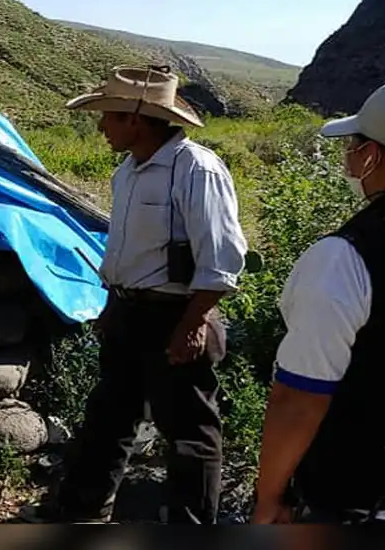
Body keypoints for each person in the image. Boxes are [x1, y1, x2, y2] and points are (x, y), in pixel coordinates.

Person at [35, 65, 248, 524]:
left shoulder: (196, 169)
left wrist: (193, 322)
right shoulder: (128, 171)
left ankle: (189, 528)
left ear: (135, 119)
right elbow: (126, 251)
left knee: (189, 431)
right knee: (108, 417)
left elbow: (221, 256)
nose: (101, 126)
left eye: (108, 116)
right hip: (129, 312)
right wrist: (112, 306)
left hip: (176, 314)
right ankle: (82, 510)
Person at [253, 76, 385, 524]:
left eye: (354, 146)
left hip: (366, 496)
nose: (348, 158)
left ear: (373, 156)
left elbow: (299, 399)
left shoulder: (344, 258)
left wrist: (268, 497)